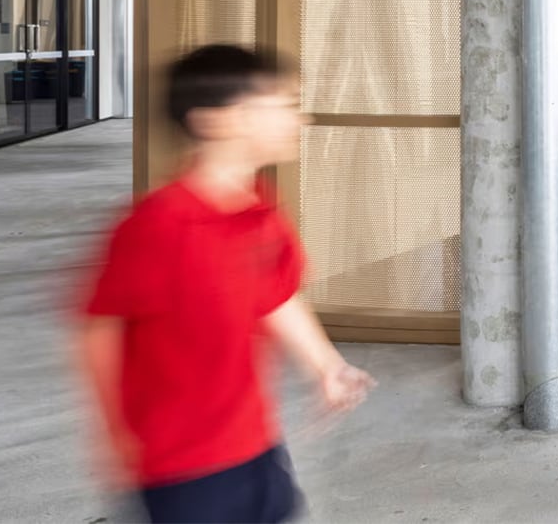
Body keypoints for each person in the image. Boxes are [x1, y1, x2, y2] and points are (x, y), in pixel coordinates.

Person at [77, 45, 373, 524]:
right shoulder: (158, 226)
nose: (301, 118)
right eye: (284, 105)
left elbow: (274, 295)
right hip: (181, 465)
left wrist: (326, 365)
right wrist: (114, 435)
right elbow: (98, 329)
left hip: (254, 442)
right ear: (220, 121)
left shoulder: (258, 209)